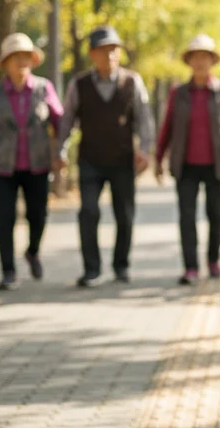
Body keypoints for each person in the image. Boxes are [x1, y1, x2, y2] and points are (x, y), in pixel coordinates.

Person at [57, 26, 155, 287]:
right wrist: (61, 150)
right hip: (90, 160)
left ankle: (121, 266)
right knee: (88, 212)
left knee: (125, 215)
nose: (110, 55)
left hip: (123, 161)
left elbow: (144, 118)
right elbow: (67, 119)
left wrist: (145, 150)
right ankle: (92, 269)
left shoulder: (133, 82)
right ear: (92, 54)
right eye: (104, 50)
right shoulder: (79, 84)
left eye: (114, 50)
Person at [0, 33, 65, 291]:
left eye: (26, 57)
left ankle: (32, 252)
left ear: (32, 61)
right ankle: (8, 271)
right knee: (5, 219)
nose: (22, 62)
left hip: (38, 164)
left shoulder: (44, 89)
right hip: (2, 166)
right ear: (6, 62)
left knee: (38, 215)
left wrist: (61, 152)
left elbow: (60, 121)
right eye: (16, 57)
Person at [154, 34, 220, 285]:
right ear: (189, 61)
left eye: (205, 57)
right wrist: (159, 158)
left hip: (217, 165)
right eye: (196, 57)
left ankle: (213, 259)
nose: (200, 62)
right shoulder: (179, 93)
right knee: (187, 217)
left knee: (217, 213)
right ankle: (190, 267)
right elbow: (167, 127)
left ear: (212, 61)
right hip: (185, 166)